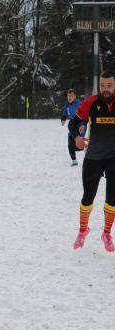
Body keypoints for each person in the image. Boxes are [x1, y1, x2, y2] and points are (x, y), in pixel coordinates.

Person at [68, 70, 115, 252]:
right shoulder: (91, 102)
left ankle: (107, 233)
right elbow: (73, 124)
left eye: (109, 85)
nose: (105, 89)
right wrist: (77, 138)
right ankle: (82, 230)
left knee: (112, 199)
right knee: (88, 197)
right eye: (102, 85)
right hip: (94, 156)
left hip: (113, 157)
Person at [60, 89, 82, 166]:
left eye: (71, 96)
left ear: (75, 96)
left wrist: (84, 124)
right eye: (68, 96)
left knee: (78, 144)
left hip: (80, 125)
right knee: (70, 144)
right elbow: (64, 114)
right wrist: (63, 119)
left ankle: (87, 147)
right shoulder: (67, 105)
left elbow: (85, 113)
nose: (69, 97)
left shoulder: (79, 103)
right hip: (72, 126)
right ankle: (74, 161)